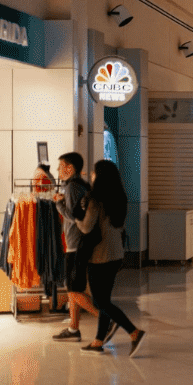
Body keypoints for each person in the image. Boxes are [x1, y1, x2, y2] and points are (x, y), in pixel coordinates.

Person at [78, 160, 146, 356]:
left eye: (93, 172)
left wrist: (75, 217)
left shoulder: (95, 200)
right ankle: (98, 340)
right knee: (104, 298)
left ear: (99, 176)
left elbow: (86, 227)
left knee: (100, 303)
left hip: (99, 255)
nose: (91, 175)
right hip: (116, 254)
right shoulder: (119, 197)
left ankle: (134, 332)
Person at [52, 152, 104, 342]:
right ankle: (73, 329)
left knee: (73, 289)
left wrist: (58, 204)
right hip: (79, 243)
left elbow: (74, 217)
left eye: (60, 166)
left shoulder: (72, 188)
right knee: (73, 287)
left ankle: (105, 318)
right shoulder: (80, 185)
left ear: (70, 168)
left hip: (76, 244)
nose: (58, 170)